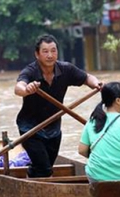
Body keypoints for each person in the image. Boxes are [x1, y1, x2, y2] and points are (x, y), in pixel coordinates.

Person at [14, 34, 102, 177]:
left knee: (46, 166)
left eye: (53, 50)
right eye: (45, 51)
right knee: (45, 169)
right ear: (37, 54)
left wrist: (96, 84)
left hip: (53, 127)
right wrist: (27, 90)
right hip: (30, 128)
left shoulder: (66, 69)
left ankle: (31, 176)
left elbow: (87, 78)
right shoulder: (30, 71)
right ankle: (34, 182)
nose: (50, 55)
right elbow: (19, 87)